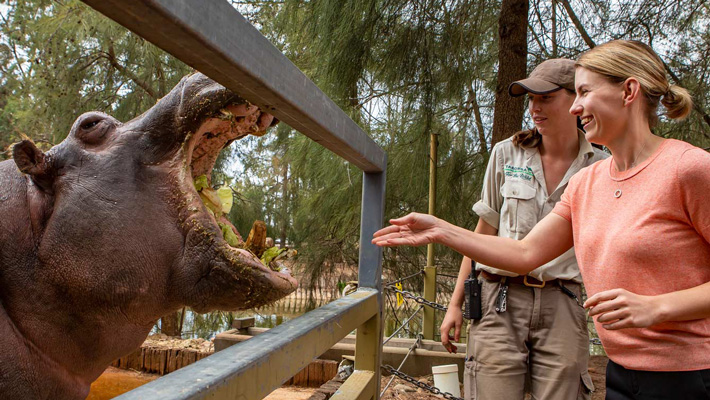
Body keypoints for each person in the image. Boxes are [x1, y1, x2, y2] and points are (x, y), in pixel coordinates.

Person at [373, 40, 710, 400]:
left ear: (628, 91)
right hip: (622, 374)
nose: (577, 106)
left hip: (687, 376)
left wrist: (656, 306)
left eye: (584, 92)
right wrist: (442, 230)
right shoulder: (587, 183)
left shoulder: (688, 168)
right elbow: (525, 252)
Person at [439, 58, 607, 400]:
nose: (534, 107)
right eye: (530, 98)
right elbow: (483, 231)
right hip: (499, 299)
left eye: (545, 98)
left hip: (564, 301)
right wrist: (455, 303)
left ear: (575, 100)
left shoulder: (602, 166)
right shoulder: (507, 154)